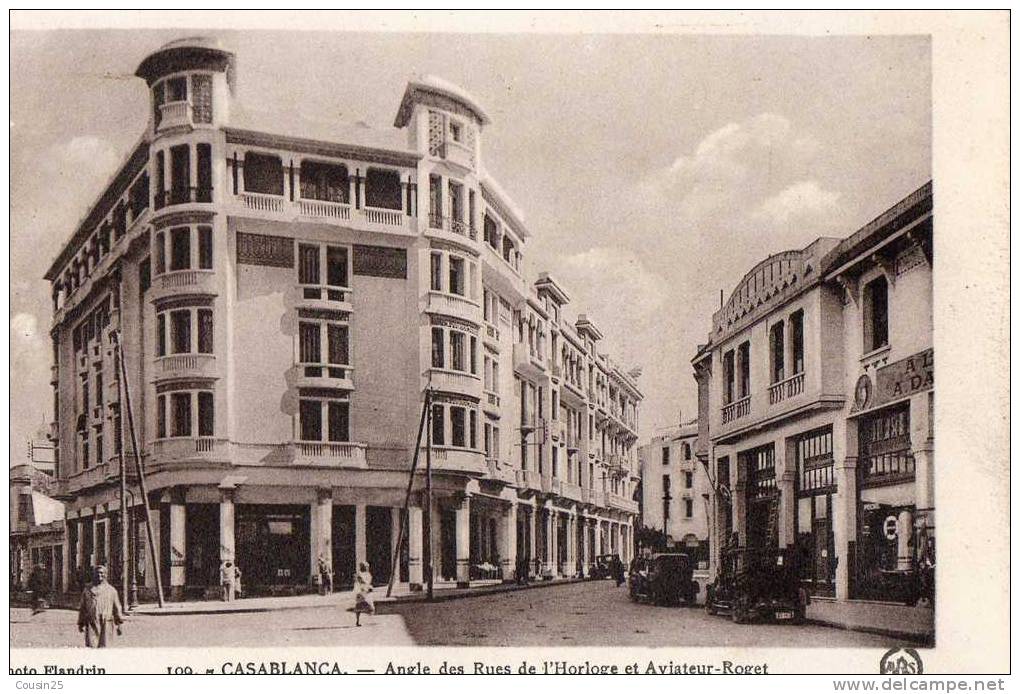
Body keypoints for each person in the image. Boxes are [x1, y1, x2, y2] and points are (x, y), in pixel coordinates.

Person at [77, 566, 124, 648]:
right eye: (97, 573)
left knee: (105, 647)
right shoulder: (87, 590)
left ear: (106, 575)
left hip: (106, 622)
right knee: (92, 647)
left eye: (102, 573)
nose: (99, 575)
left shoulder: (111, 590)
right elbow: (82, 608)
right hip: (92, 622)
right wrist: (81, 623)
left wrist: (119, 624)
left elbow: (117, 608)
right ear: (94, 575)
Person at [351, 561, 374, 627]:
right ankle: (358, 621)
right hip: (360, 591)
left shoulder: (368, 574)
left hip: (366, 591)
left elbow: (368, 581)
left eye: (367, 567)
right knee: (358, 606)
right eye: (366, 567)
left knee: (370, 606)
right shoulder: (359, 574)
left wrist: (368, 587)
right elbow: (360, 581)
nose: (367, 568)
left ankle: (370, 620)